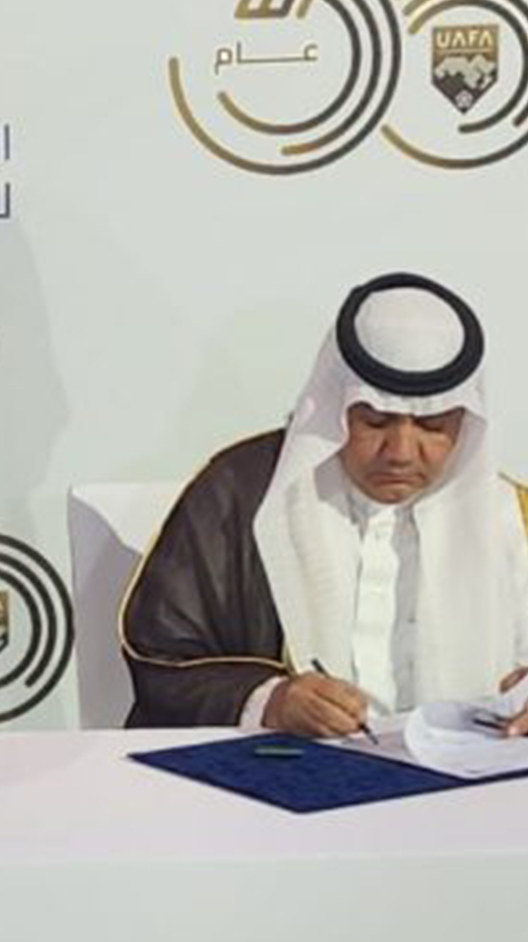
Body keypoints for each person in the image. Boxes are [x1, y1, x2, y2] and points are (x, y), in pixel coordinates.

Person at [121, 272, 528, 737]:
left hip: (466, 774)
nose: (400, 452)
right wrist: (269, 700)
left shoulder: (512, 520)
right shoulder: (241, 494)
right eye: (374, 421)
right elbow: (160, 657)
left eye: (433, 427)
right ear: (334, 406)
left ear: (467, 423)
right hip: (279, 771)